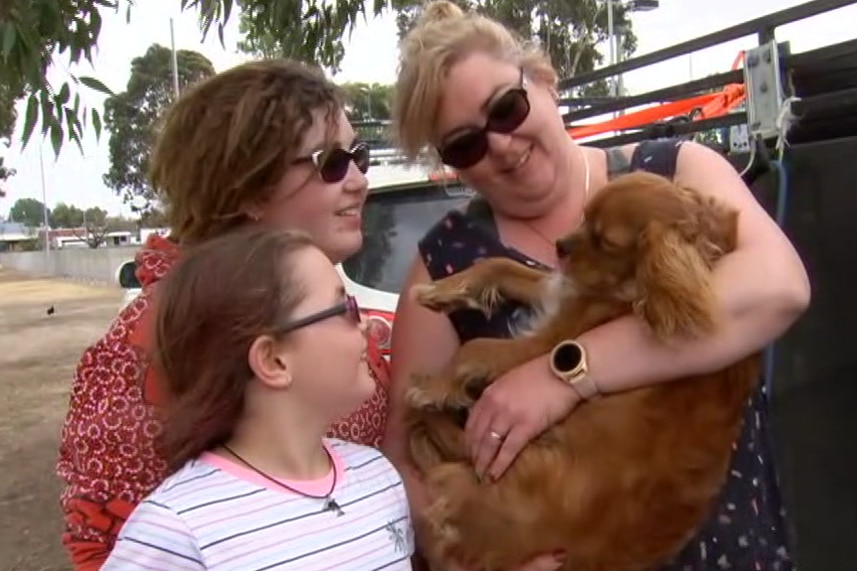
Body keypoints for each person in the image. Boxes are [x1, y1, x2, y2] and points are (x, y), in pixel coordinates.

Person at [383, 2, 811, 570]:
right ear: (451, 165)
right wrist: (465, 563)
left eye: (507, 109)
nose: (503, 146)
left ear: (544, 82)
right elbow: (401, 457)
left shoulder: (676, 175)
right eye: (466, 144)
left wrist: (565, 372)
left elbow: (781, 289)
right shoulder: (446, 260)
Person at [56, 59, 391, 570]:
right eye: (332, 162)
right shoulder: (148, 346)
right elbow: (107, 545)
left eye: (359, 156)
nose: (359, 182)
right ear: (251, 189)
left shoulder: (331, 314)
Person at [100, 227, 414, 570]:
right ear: (273, 361)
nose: (367, 323)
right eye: (345, 307)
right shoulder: (176, 532)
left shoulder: (378, 476)